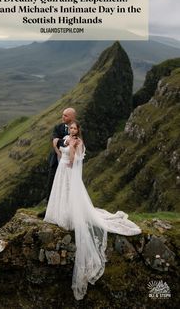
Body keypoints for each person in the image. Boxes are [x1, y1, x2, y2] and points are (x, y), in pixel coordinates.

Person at [44, 121, 141, 301]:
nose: (72, 131)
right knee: (60, 194)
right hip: (61, 171)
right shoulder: (66, 138)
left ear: (78, 131)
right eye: (71, 128)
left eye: (75, 129)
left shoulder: (78, 143)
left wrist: (72, 150)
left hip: (69, 171)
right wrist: (62, 151)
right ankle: (59, 213)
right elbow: (58, 149)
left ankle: (70, 215)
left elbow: (75, 161)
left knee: (69, 194)